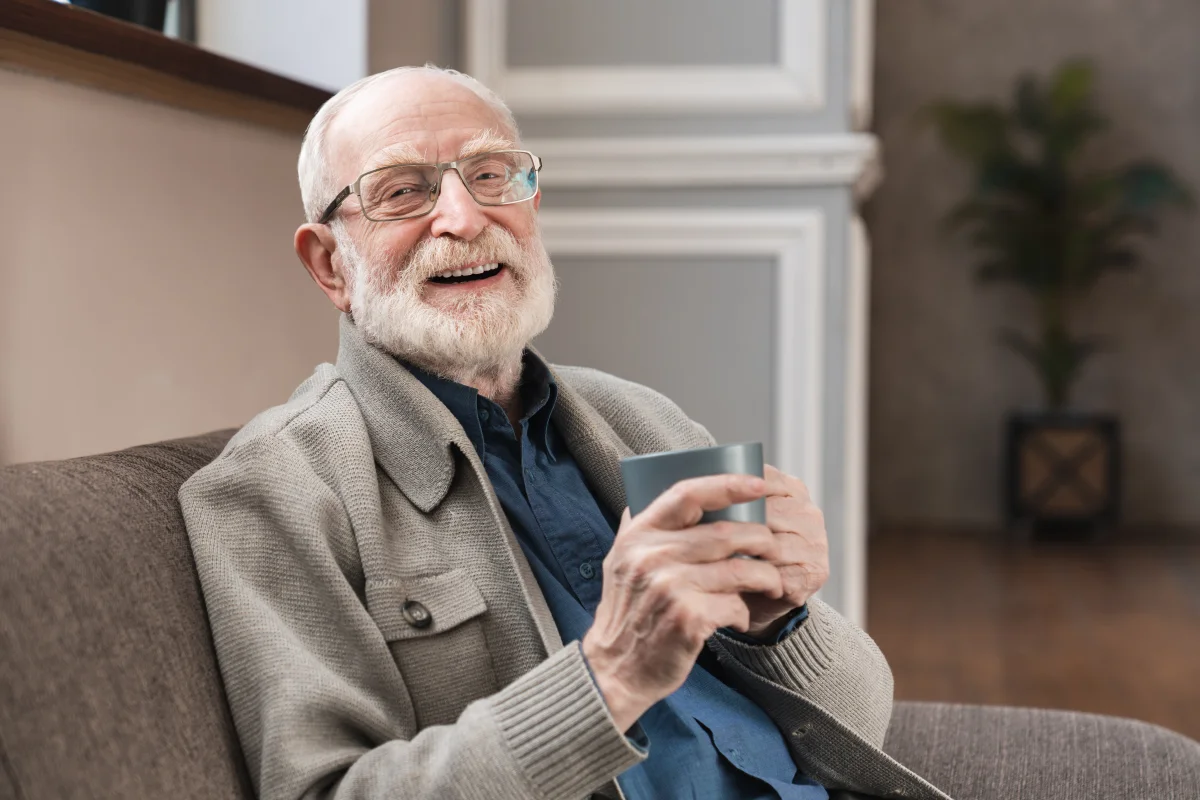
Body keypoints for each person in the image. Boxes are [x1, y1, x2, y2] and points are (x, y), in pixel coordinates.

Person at [180, 65, 944, 800]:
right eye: (402, 192)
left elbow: (864, 723)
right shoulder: (269, 492)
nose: (464, 217)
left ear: (530, 206)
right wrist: (608, 678)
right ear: (329, 266)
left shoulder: (643, 419)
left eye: (490, 175)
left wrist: (780, 624)